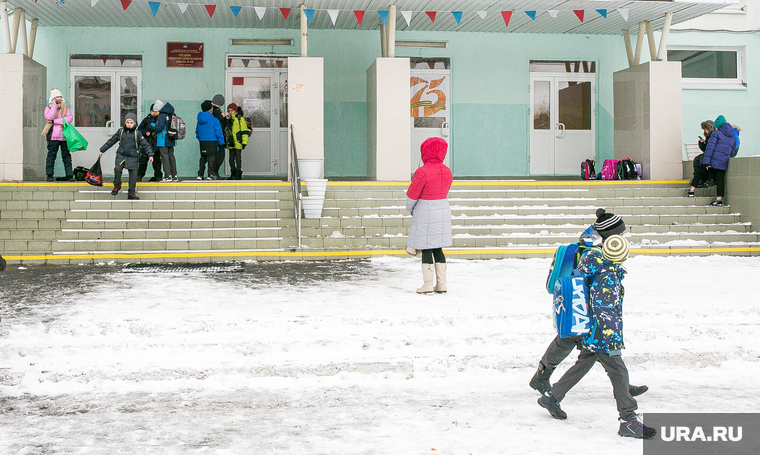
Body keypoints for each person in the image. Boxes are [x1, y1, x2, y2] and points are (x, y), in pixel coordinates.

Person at [537, 235, 656, 440]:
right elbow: (604, 309)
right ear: (622, 257)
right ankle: (627, 419)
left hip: (591, 328)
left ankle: (552, 397)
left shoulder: (594, 263)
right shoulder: (607, 276)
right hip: (602, 332)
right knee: (618, 371)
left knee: (584, 363)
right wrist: (612, 337)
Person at [529, 208, 647, 399]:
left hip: (586, 302)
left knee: (592, 347)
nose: (623, 237)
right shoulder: (592, 249)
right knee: (570, 339)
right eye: (620, 234)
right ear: (611, 235)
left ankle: (622, 384)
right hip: (582, 303)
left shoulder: (596, 242)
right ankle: (542, 377)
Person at [406, 137, 453, 294]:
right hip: (443, 210)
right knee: (438, 248)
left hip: (425, 211)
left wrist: (411, 209)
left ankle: (427, 284)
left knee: (426, 247)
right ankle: (442, 284)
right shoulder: (447, 171)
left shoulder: (422, 171)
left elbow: (412, 196)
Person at [99, 113, 153, 200]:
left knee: (133, 175)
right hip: (121, 154)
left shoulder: (137, 133)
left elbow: (145, 145)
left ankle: (131, 193)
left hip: (133, 156)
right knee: (117, 169)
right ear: (125, 123)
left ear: (135, 124)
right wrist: (102, 150)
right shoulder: (121, 132)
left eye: (131, 123)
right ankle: (117, 185)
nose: (129, 124)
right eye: (127, 122)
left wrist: (150, 155)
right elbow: (111, 141)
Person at [702, 115, 736, 207]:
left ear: (718, 126)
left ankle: (708, 183)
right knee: (720, 180)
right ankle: (719, 199)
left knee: (710, 174)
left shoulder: (716, 134)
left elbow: (710, 149)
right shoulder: (732, 136)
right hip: (723, 162)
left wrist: (706, 162)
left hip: (714, 162)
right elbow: (732, 152)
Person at [42, 87, 74, 182]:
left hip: (64, 136)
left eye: (60, 96)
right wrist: (55, 106)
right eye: (56, 97)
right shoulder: (48, 108)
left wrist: (55, 121)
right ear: (52, 99)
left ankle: (69, 175)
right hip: (53, 137)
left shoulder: (65, 107)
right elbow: (49, 116)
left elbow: (69, 119)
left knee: (66, 156)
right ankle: (50, 175)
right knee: (51, 156)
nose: (59, 98)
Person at [150, 100, 179, 182]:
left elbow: (158, 128)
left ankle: (167, 176)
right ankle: (174, 175)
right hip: (171, 138)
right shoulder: (171, 114)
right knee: (171, 157)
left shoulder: (161, 116)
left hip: (162, 140)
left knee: (165, 158)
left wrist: (153, 125)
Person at [196, 100, 224, 180]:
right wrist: (221, 142)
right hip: (212, 142)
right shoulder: (214, 120)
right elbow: (218, 132)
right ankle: (210, 174)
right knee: (211, 159)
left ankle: (200, 175)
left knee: (203, 158)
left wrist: (200, 138)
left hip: (202, 141)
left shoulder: (199, 120)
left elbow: (197, 132)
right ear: (211, 110)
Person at [687, 120, 716, 198]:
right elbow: (706, 149)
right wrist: (701, 143)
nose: (706, 131)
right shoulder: (708, 137)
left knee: (701, 161)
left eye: (707, 129)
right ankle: (699, 179)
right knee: (697, 159)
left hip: (712, 155)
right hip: (708, 154)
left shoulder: (713, 136)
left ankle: (704, 179)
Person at [137, 103, 163, 182]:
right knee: (143, 161)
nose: (154, 113)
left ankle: (158, 176)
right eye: (152, 111)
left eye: (156, 111)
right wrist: (145, 132)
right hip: (147, 143)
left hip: (156, 144)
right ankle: (139, 176)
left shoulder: (160, 119)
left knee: (157, 162)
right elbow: (140, 128)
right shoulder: (147, 119)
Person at [226, 103, 249, 180]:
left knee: (238, 159)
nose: (230, 112)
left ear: (235, 111)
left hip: (238, 142)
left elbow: (244, 131)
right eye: (228, 111)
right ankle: (233, 173)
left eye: (231, 110)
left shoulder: (240, 119)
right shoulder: (228, 119)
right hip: (231, 142)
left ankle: (238, 173)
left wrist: (244, 142)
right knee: (231, 159)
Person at [210, 94, 229, 178]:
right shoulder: (215, 111)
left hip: (215, 137)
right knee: (219, 156)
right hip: (217, 137)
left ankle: (213, 173)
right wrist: (222, 117)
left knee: (216, 156)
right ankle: (214, 173)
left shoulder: (212, 110)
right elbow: (215, 122)